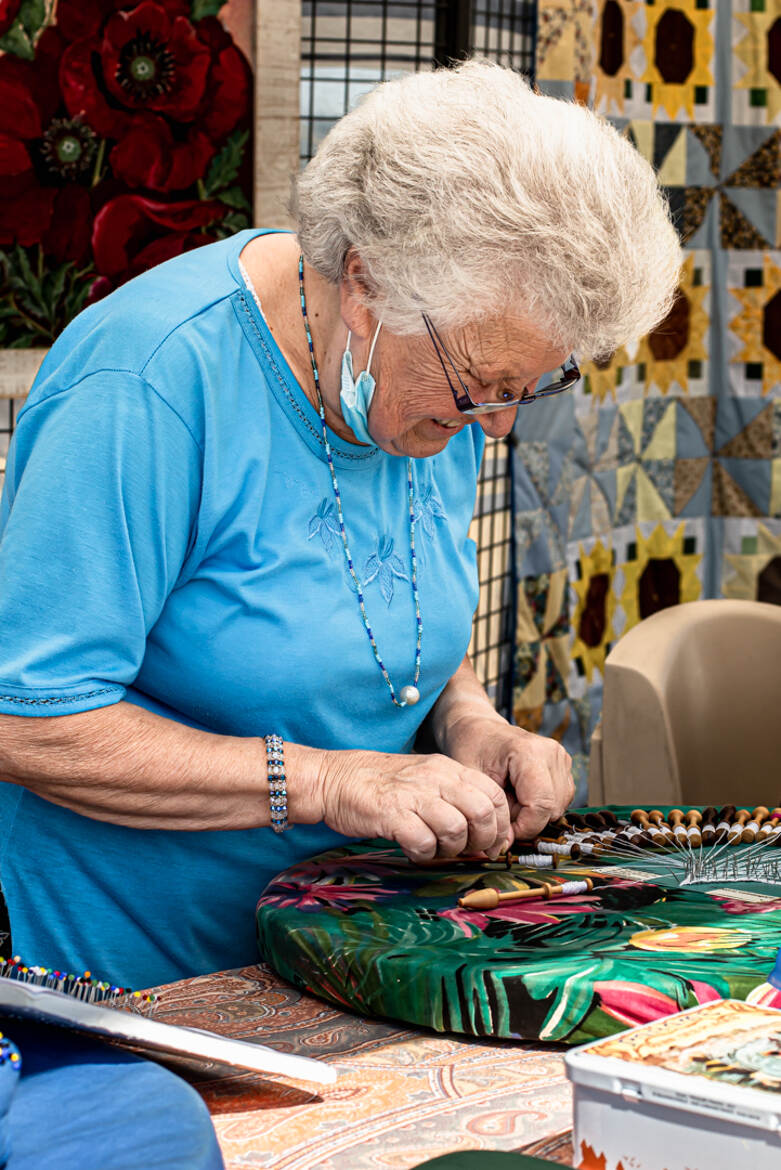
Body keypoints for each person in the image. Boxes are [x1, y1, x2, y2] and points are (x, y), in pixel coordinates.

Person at [0, 61, 681, 988]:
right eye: (482, 385)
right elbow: (29, 719)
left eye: (528, 389)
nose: (496, 423)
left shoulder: (430, 381)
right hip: (151, 988)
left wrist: (468, 724)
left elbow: (386, 611)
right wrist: (328, 782)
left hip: (363, 951)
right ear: (365, 278)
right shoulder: (149, 384)